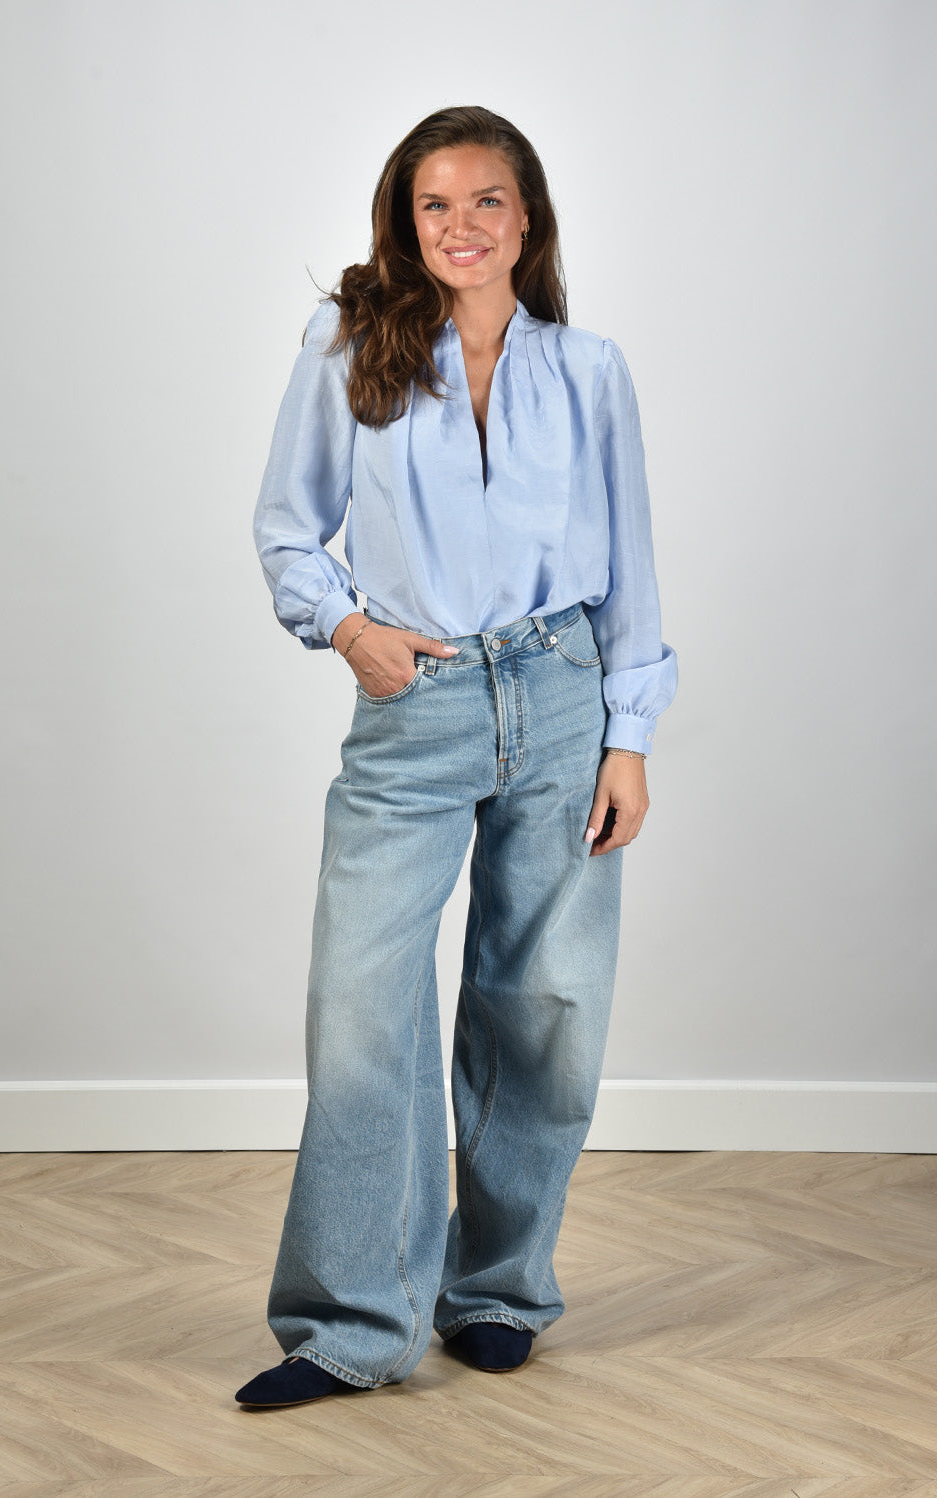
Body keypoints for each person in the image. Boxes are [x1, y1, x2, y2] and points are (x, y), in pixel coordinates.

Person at [236, 105, 677, 1410]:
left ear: (526, 219)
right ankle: (350, 1321)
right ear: (406, 221)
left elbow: (633, 561)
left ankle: (494, 1288)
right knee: (361, 1002)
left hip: (563, 695)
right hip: (416, 704)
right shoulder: (347, 348)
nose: (463, 226)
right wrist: (349, 629)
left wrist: (629, 738)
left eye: (488, 200)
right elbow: (288, 528)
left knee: (545, 1006)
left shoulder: (589, 370)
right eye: (437, 204)